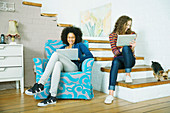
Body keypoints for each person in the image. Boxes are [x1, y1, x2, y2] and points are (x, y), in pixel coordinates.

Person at [25, 27, 93, 107]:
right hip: (64, 68)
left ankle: (40, 83)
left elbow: (90, 56)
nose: (70, 39)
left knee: (56, 55)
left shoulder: (79, 45)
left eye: (72, 37)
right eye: (69, 37)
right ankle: (52, 96)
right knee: (57, 64)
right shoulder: (63, 48)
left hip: (73, 67)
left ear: (76, 38)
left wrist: (80, 59)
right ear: (66, 38)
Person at [104, 15, 136, 104]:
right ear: (121, 24)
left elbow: (132, 53)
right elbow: (115, 52)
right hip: (120, 60)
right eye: (126, 25)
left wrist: (133, 47)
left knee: (126, 48)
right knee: (115, 61)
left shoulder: (132, 34)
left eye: (129, 25)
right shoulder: (112, 35)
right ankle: (111, 94)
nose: (128, 27)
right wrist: (121, 49)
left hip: (130, 61)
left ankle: (128, 74)